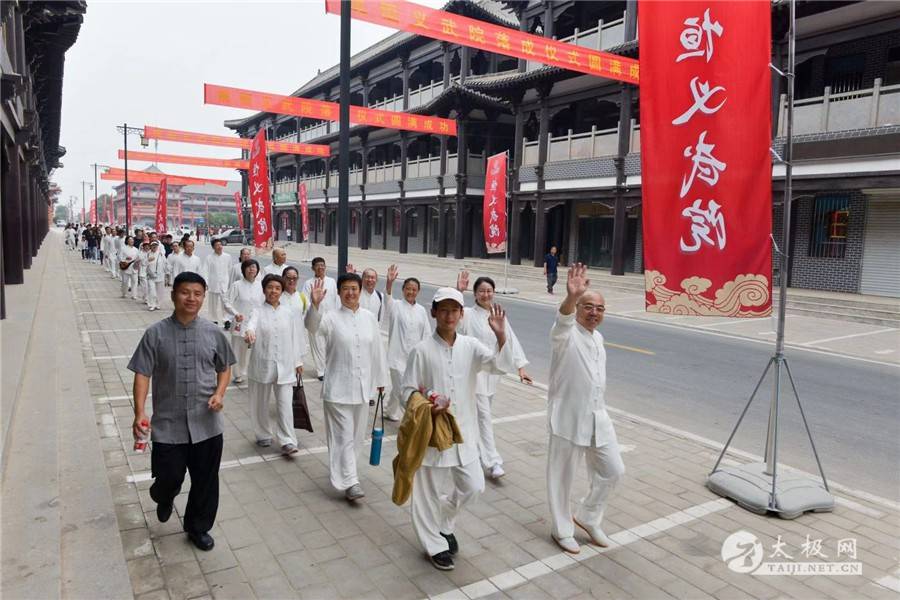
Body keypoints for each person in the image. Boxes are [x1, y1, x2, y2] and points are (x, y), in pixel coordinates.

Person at [400, 287, 515, 571]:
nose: (449, 315)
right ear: (434, 313)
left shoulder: (471, 346)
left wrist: (501, 336)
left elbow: (498, 366)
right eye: (444, 309)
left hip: (465, 433)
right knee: (426, 492)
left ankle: (444, 521)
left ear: (461, 315)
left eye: (454, 310)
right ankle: (434, 545)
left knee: (474, 486)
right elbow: (405, 391)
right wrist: (427, 404)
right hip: (431, 432)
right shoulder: (421, 351)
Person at [128, 271, 235, 552]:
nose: (191, 298)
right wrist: (139, 412)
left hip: (207, 424)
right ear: (174, 294)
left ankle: (197, 527)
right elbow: (142, 373)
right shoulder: (155, 334)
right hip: (168, 424)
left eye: (197, 293)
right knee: (169, 476)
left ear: (203, 297)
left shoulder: (213, 333)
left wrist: (219, 393)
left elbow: (225, 368)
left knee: (205, 481)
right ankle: (164, 495)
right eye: (185, 292)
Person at [546, 263, 624, 555]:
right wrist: (570, 296)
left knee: (614, 469)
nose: (594, 312)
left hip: (597, 417)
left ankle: (588, 517)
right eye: (588, 306)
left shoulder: (598, 338)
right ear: (577, 308)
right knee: (562, 477)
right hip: (566, 416)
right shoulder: (565, 334)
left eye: (600, 308)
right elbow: (563, 320)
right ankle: (561, 529)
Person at [306, 273, 387, 501]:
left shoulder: (370, 317)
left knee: (357, 436)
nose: (350, 293)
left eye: (354, 288)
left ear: (359, 290)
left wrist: (381, 382)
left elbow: (377, 350)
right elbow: (312, 327)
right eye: (345, 289)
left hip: (363, 389)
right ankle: (350, 481)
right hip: (338, 389)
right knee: (343, 436)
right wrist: (314, 304)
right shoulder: (330, 318)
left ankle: (345, 471)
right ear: (339, 293)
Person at [456, 271, 532, 480]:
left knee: (478, 416)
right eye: (482, 291)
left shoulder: (497, 314)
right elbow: (454, 318)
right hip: (474, 373)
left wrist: (520, 367)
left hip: (492, 375)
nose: (486, 294)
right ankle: (493, 462)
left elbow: (510, 340)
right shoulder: (467, 314)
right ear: (475, 294)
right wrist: (458, 292)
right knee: (484, 417)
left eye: (489, 291)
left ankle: (467, 448)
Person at [244, 274, 306, 455]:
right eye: (270, 287)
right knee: (260, 403)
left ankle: (288, 440)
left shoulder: (288, 313)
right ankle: (263, 433)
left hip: (285, 366)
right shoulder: (257, 311)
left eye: (277, 288)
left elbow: (295, 338)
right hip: (262, 364)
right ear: (264, 290)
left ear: (282, 290)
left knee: (285, 405)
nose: (274, 291)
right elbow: (251, 326)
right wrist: (249, 333)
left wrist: (298, 361)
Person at [383, 264, 430, 421]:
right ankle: (413, 419)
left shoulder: (422, 311)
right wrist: (389, 283)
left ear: (418, 291)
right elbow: (388, 297)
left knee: (399, 388)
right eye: (408, 288)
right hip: (396, 357)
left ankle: (390, 410)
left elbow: (427, 334)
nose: (411, 292)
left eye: (414, 289)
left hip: (413, 358)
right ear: (403, 289)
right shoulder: (395, 306)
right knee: (403, 389)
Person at [224, 259, 264, 384]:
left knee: (256, 349)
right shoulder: (237, 285)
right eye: (249, 267)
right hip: (240, 323)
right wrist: (235, 313)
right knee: (239, 349)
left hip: (257, 323)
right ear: (243, 270)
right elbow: (226, 301)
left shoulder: (261, 285)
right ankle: (238, 374)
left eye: (254, 267)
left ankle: (253, 371)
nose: (252, 269)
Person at [301, 257, 338, 380]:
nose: (321, 267)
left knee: (330, 344)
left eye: (323, 265)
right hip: (315, 317)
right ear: (313, 268)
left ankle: (330, 367)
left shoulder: (332, 281)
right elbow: (305, 301)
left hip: (331, 318)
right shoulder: (308, 283)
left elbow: (336, 299)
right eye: (318, 265)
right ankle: (321, 371)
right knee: (317, 345)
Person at [204, 239, 233, 325]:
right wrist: (206, 282)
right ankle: (213, 319)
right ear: (213, 247)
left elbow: (230, 270)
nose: (219, 246)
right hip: (213, 283)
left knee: (226, 303)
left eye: (220, 244)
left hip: (225, 283)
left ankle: (227, 320)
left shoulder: (227, 257)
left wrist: (230, 282)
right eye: (217, 245)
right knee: (213, 304)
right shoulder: (209, 258)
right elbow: (205, 271)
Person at [145, 240, 167, 311]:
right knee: (152, 290)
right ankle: (152, 304)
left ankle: (158, 304)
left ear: (158, 246)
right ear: (150, 246)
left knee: (159, 291)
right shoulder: (148, 254)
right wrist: (148, 260)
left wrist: (166, 275)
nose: (154, 247)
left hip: (160, 275)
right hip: (150, 276)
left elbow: (165, 264)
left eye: (156, 245)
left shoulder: (161, 254)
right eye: (153, 245)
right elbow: (143, 264)